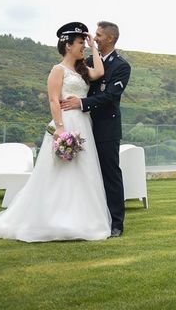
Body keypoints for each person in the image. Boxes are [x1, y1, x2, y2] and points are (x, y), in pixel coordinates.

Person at [0, 22, 112, 242]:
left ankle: (81, 219)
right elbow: (54, 99)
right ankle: (52, 218)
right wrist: (60, 129)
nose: (82, 47)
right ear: (67, 46)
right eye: (79, 44)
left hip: (83, 125)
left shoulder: (82, 69)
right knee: (59, 174)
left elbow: (100, 72)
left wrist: (93, 46)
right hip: (65, 125)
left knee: (82, 173)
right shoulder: (58, 70)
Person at [61, 21, 131, 237]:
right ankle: (87, 217)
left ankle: (116, 223)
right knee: (86, 175)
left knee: (110, 175)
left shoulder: (121, 66)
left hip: (105, 129)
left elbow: (110, 96)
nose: (95, 37)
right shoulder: (90, 61)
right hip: (82, 127)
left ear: (110, 38)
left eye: (99, 35)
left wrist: (81, 104)